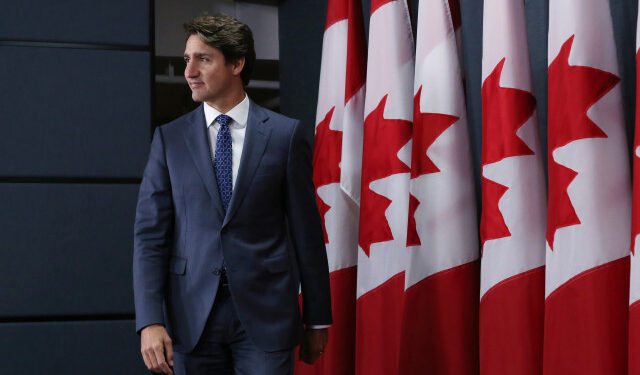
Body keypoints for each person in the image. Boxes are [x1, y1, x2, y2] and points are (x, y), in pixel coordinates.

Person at [133, 14, 332, 375]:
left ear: (237, 63)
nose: (189, 71)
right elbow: (150, 237)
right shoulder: (169, 140)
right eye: (186, 60)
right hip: (191, 318)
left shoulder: (285, 136)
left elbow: (307, 233)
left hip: (266, 317)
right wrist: (149, 320)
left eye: (203, 59)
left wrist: (317, 318)